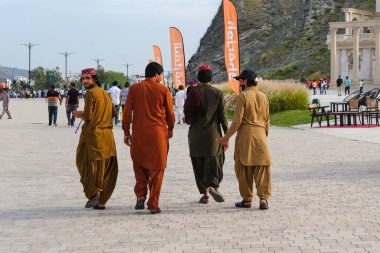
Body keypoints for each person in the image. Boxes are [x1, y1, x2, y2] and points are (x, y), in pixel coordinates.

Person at [122, 62, 175, 214]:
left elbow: (127, 113)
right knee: (158, 169)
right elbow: (170, 114)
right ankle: (153, 203)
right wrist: (170, 128)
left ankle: (140, 195)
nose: (161, 78)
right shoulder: (163, 90)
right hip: (158, 134)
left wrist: (126, 132)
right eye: (161, 75)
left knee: (139, 165)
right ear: (157, 74)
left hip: (139, 134)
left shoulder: (134, 89)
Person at [218, 69, 272, 210]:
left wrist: (226, 138)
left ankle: (247, 199)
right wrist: (263, 135)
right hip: (260, 135)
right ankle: (263, 199)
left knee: (243, 167)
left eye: (240, 80)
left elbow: (237, 121)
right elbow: (267, 120)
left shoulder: (242, 96)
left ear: (246, 81)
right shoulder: (264, 96)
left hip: (246, 136)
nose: (239, 83)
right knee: (262, 167)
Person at [73, 68, 118, 210]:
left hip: (93, 135)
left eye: (88, 78)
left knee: (84, 163)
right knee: (105, 167)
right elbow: (114, 112)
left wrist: (79, 113)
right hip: (107, 136)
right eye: (83, 78)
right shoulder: (105, 93)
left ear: (94, 79)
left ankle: (94, 194)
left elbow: (88, 116)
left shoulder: (90, 93)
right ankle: (101, 200)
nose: (85, 81)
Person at [184, 65, 228, 204]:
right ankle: (213, 185)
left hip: (195, 135)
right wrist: (226, 136)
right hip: (213, 135)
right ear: (211, 78)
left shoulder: (192, 93)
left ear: (198, 77)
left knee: (198, 164)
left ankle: (205, 194)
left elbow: (187, 117)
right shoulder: (217, 93)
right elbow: (222, 116)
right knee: (215, 161)